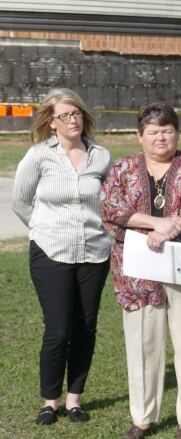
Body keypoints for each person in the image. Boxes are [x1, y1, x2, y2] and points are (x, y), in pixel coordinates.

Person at [101, 103, 181, 439]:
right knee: (142, 342)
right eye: (153, 131)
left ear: (177, 133)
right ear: (140, 136)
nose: (161, 137)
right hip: (138, 272)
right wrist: (156, 223)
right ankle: (143, 418)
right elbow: (111, 207)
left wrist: (173, 227)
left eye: (167, 130)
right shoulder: (123, 169)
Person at [11, 88, 112, 426]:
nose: (72, 120)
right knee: (57, 329)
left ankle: (74, 401)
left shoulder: (101, 156)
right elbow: (21, 201)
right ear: (51, 123)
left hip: (94, 253)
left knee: (85, 327)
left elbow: (110, 204)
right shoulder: (39, 155)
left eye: (77, 113)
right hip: (50, 251)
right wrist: (41, 229)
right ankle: (50, 402)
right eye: (65, 115)